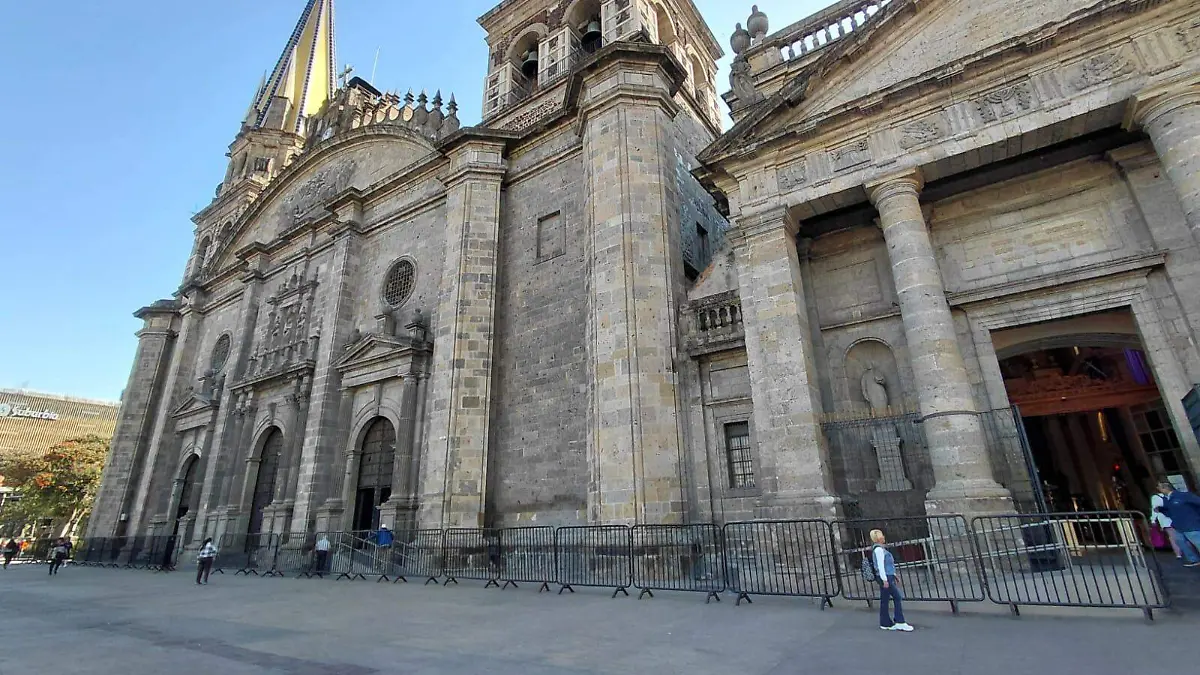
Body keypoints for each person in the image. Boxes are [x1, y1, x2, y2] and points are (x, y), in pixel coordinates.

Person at [870, 529, 913, 632]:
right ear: (878, 538)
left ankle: (885, 622)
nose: (884, 537)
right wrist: (885, 579)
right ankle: (900, 621)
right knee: (897, 597)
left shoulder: (879, 549)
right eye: (882, 536)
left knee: (885, 600)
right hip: (885, 577)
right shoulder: (879, 550)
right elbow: (881, 566)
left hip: (887, 576)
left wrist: (893, 575)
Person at [1155, 481, 1200, 568]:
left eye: (1160, 487)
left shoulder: (1183, 496)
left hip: (1190, 523)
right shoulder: (1167, 499)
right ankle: (1193, 559)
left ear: (1165, 488)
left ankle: (1193, 559)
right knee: (1179, 541)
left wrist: (1196, 516)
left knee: (1197, 542)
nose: (1158, 489)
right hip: (1178, 525)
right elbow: (1169, 511)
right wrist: (1161, 510)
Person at [1150, 487, 1185, 560]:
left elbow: (1155, 509)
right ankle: (1186, 551)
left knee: (1172, 536)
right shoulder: (1172, 495)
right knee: (1182, 534)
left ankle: (1178, 553)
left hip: (1165, 518)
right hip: (1176, 516)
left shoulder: (1156, 497)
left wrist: (1153, 520)